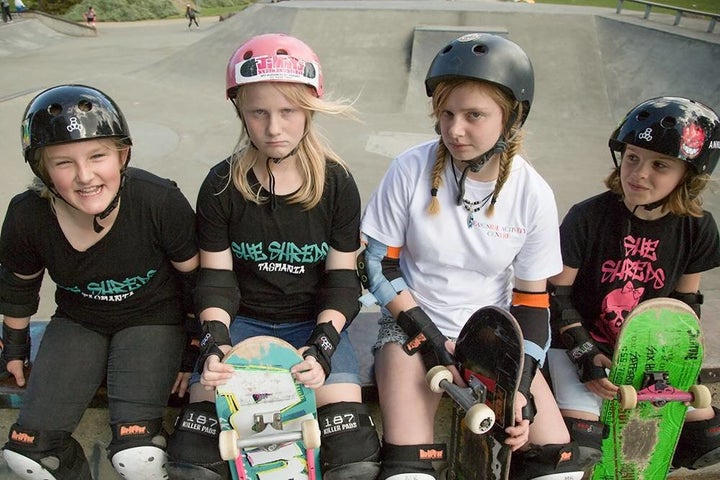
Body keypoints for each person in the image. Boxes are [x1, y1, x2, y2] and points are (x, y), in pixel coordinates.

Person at [359, 32, 587, 480]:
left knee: (558, 468)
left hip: (493, 335)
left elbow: (532, 300)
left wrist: (518, 386)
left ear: (512, 117)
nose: (454, 129)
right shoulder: (410, 168)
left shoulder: (533, 193)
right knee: (409, 469)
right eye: (446, 113)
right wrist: (428, 339)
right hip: (412, 324)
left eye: (474, 115)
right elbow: (377, 267)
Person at [165, 33, 381, 480]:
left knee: (351, 456)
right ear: (240, 112)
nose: (273, 127)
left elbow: (342, 279)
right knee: (195, 459)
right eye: (258, 112)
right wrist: (215, 342)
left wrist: (323, 346)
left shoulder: (336, 183)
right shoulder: (222, 184)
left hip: (313, 322)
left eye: (288, 111)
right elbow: (216, 279)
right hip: (242, 322)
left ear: (311, 109)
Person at [0, 84, 200, 479]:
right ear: (42, 169)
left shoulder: (157, 200)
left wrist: (194, 348)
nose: (85, 175)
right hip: (80, 321)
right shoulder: (27, 216)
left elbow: (198, 281)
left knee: (139, 457)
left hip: (154, 322)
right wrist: (16, 346)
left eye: (98, 156)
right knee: (29, 457)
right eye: (63, 163)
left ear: (123, 154)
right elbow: (19, 286)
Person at [547, 96, 720, 470]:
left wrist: (671, 365)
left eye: (660, 165)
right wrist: (585, 356)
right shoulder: (587, 217)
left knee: (708, 439)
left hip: (645, 352)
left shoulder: (698, 228)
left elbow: (684, 306)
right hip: (577, 342)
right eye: (632, 158)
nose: (639, 174)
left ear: (688, 175)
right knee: (585, 445)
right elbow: (556, 297)